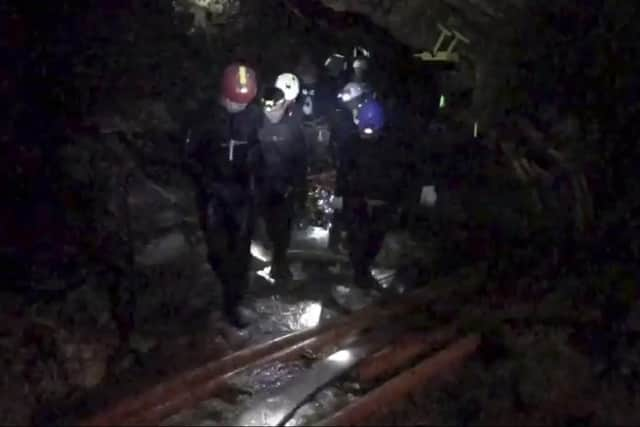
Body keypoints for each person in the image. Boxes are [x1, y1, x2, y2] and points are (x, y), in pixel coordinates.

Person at [183, 62, 260, 328]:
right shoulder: (204, 118)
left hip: (242, 195)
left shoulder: (252, 116)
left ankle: (234, 303)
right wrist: (207, 183)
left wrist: (254, 175)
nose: (239, 107)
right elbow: (189, 156)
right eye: (234, 102)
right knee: (218, 251)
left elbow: (259, 148)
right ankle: (216, 301)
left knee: (241, 252)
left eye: (244, 103)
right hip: (214, 194)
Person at [330, 98, 402, 289]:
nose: (366, 134)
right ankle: (360, 275)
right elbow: (344, 171)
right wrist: (339, 196)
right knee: (358, 239)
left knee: (375, 239)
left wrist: (394, 198)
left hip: (381, 201)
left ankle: (364, 269)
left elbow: (398, 173)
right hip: (357, 200)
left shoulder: (390, 146)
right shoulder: (351, 143)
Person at [254, 86, 308, 282]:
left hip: (285, 190)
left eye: (275, 109)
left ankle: (280, 263)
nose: (271, 114)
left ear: (284, 105)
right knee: (265, 226)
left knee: (282, 229)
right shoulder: (255, 126)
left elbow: (301, 162)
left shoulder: (293, 129)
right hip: (261, 187)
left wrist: (300, 193)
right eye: (267, 109)